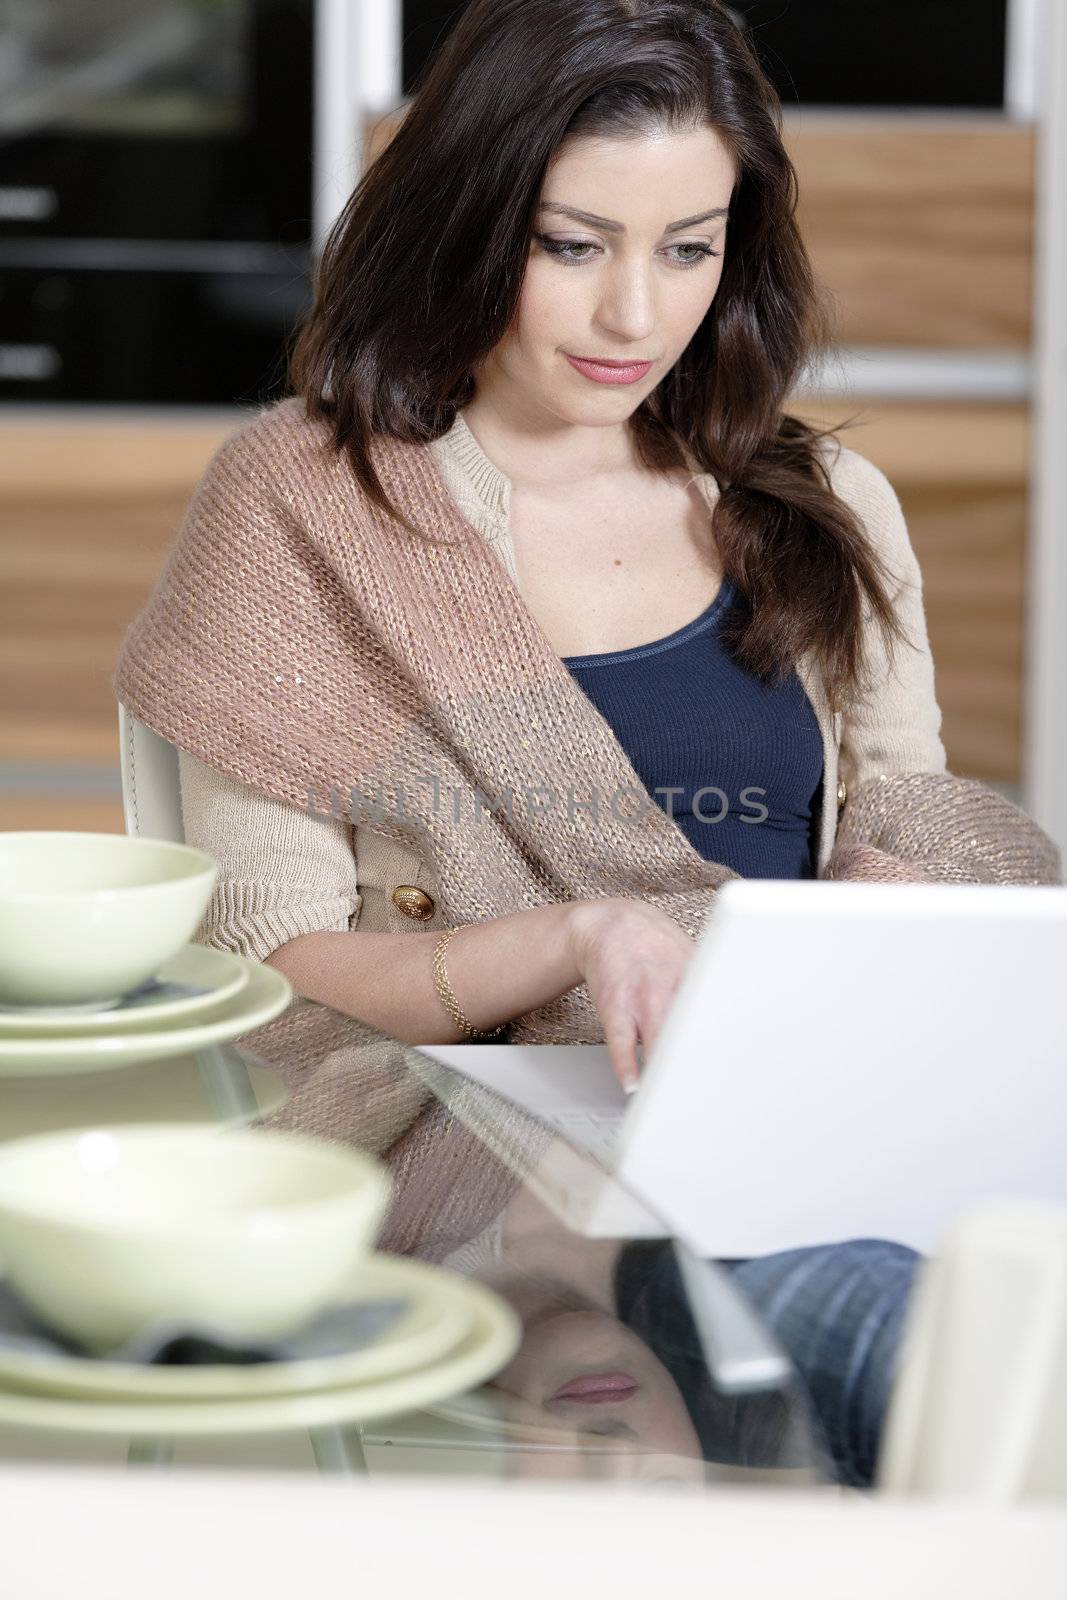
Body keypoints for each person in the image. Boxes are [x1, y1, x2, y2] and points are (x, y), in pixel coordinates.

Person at [112, 0, 1060, 1486]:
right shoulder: (305, 508)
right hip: (489, 1158)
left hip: (815, 1105)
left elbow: (918, 809)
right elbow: (264, 973)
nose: (638, 314)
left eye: (689, 247)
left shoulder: (823, 507)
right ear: (470, 221)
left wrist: (894, 902)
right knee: (925, 1338)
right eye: (574, 245)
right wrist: (574, 939)